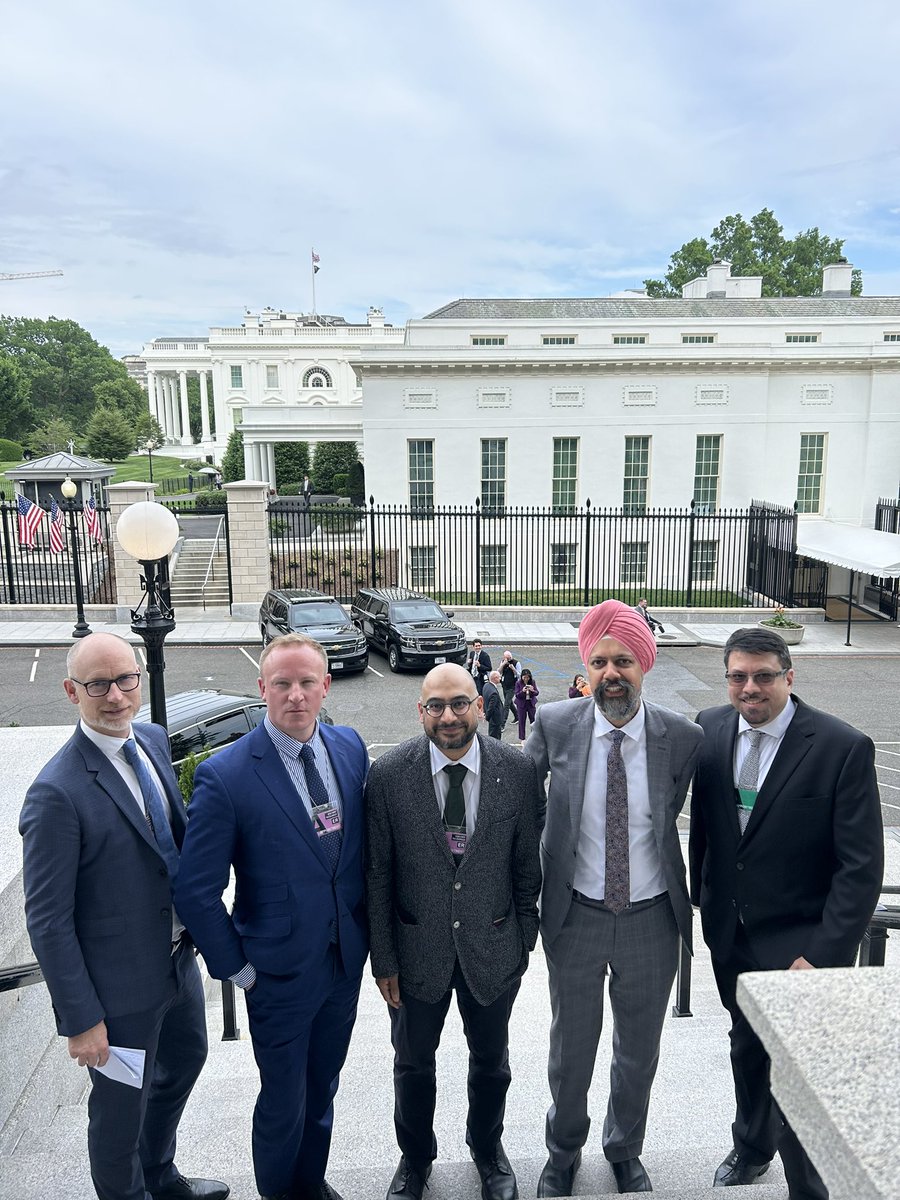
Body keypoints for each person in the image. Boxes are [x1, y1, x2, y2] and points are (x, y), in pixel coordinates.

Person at [19, 632, 229, 1200]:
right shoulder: (54, 794)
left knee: (186, 1062)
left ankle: (160, 1176)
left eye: (125, 679)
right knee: (117, 1116)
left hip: (175, 966)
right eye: (98, 685)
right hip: (115, 993)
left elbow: (173, 849)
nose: (115, 696)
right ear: (71, 691)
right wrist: (81, 1019)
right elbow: (47, 919)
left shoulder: (153, 740)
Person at [689, 628, 883, 1198]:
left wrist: (821, 957)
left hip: (802, 944)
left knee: (803, 1078)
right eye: (738, 676)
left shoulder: (841, 747)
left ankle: (810, 1187)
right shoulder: (710, 727)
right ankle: (751, 1146)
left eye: (764, 676)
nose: (750, 688)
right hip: (733, 934)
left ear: (789, 677)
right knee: (746, 1045)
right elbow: (710, 829)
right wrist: (707, 906)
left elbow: (860, 869)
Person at [175, 633, 369, 1200]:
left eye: (307, 682)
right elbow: (196, 889)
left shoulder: (350, 747)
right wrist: (238, 968)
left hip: (341, 963)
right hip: (277, 973)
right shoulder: (227, 774)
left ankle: (311, 1182)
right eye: (281, 684)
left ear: (325, 686)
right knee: (284, 1100)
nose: (295, 696)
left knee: (324, 1085)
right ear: (262, 689)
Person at [525, 600, 703, 1196]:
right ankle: (563, 1151)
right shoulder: (554, 724)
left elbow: (688, 818)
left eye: (623, 659)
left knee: (639, 1050)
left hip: (653, 919)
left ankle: (624, 1147)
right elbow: (522, 810)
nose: (611, 673)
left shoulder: (682, 738)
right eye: (599, 661)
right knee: (570, 1048)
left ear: (644, 663)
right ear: (586, 667)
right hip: (576, 914)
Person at [365, 663, 542, 1200]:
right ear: (420, 710)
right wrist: (385, 959)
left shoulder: (517, 770)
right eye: (435, 706)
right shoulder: (389, 774)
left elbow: (525, 865)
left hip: (493, 949)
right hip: (417, 953)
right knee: (413, 1066)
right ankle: (415, 1158)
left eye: (459, 703)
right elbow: (378, 873)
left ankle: (487, 1150)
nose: (448, 716)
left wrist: (523, 941)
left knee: (492, 1065)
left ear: (481, 705)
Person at [513, 668, 539, 742]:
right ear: (522, 677)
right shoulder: (518, 683)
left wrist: (532, 690)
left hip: (530, 704)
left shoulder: (532, 682)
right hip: (521, 705)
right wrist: (522, 691)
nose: (526, 679)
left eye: (528, 677)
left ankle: (534, 736)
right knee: (521, 721)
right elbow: (517, 695)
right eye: (524, 677)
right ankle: (522, 738)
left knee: (533, 720)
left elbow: (537, 693)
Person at [498, 650, 521, 725]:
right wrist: (503, 664)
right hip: (504, 685)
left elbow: (519, 675)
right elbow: (499, 672)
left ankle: (502, 724)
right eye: (506, 658)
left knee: (506, 705)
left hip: (512, 686)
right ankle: (517, 717)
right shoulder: (503, 662)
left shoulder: (516, 663)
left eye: (509, 658)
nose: (508, 660)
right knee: (510, 703)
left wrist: (513, 669)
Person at [482, 669, 504, 739]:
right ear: (495, 678)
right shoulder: (494, 693)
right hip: (495, 719)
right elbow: (491, 707)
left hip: (492, 719)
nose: (500, 679)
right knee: (495, 738)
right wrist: (487, 717)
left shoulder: (486, 686)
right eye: (499, 677)